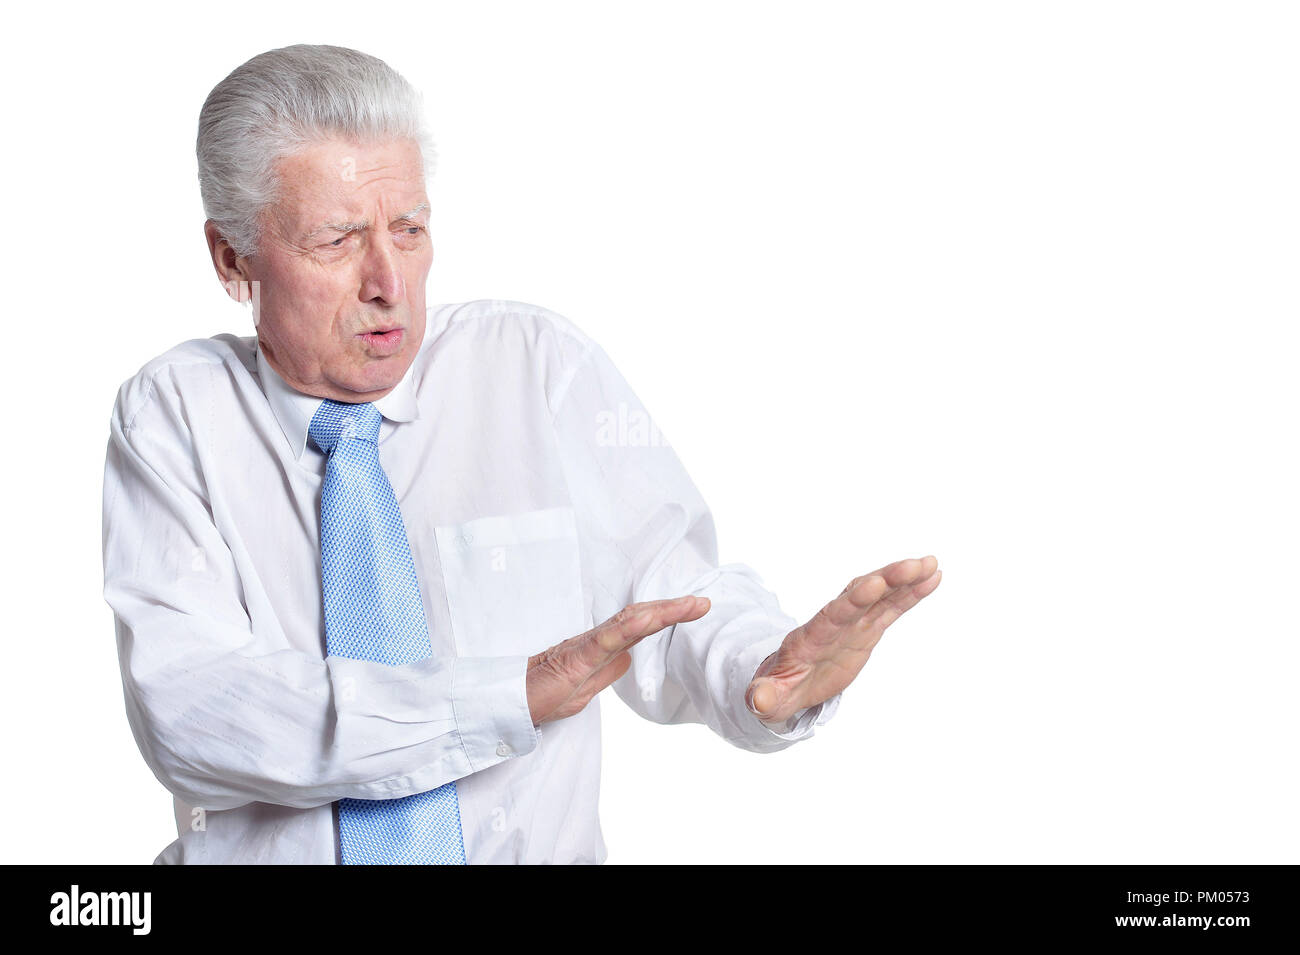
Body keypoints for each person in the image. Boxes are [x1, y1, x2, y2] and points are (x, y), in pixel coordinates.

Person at [101, 43, 943, 865]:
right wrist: (502, 699)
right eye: (337, 240)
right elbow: (197, 711)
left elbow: (672, 595)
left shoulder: (532, 366)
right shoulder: (176, 415)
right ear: (231, 258)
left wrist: (765, 667)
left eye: (410, 228)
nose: (389, 281)